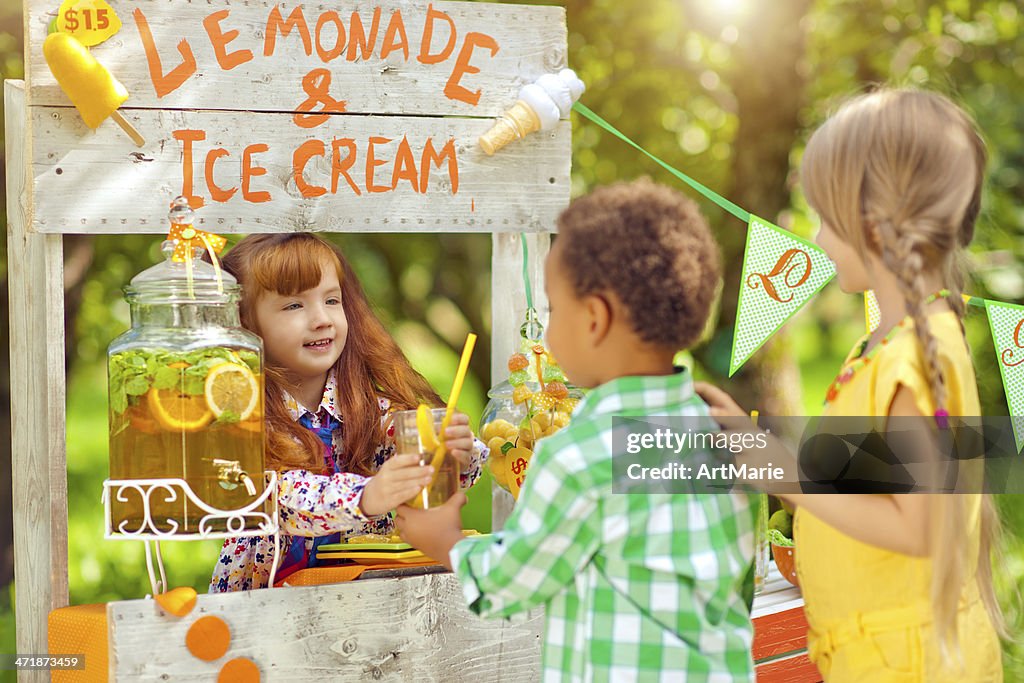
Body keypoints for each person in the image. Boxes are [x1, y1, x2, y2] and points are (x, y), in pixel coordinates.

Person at [697, 89, 1004, 681]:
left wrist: (789, 477)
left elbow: (919, 527)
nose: (815, 237)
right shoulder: (886, 346)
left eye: (823, 216)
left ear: (870, 225)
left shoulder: (913, 355)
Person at [397, 179, 757, 681]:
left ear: (593, 319)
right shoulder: (725, 435)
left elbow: (516, 578)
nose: (548, 328)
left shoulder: (579, 457)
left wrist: (447, 542)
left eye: (553, 309)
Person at [209, 234, 486, 591]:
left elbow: (426, 477)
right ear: (244, 323)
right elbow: (279, 500)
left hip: (365, 604)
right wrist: (367, 496)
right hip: (264, 609)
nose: (322, 319)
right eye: (295, 305)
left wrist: (456, 454)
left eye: (331, 300)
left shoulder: (368, 409)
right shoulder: (241, 417)